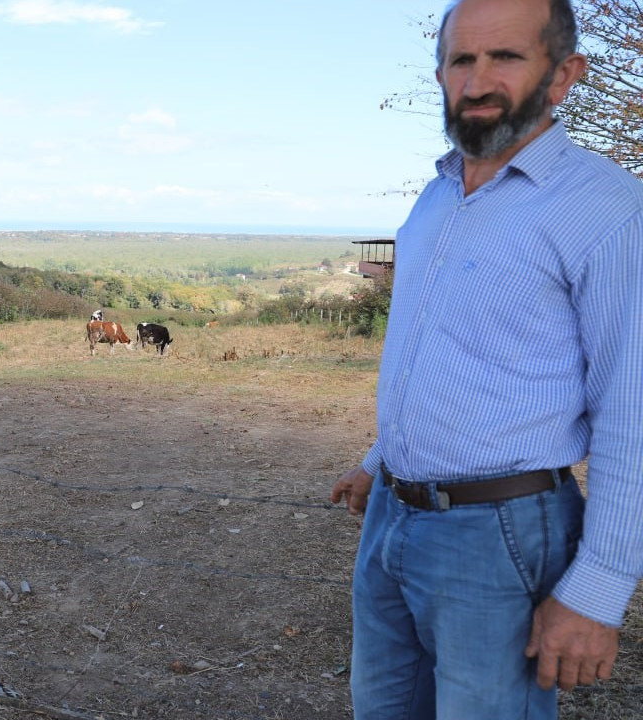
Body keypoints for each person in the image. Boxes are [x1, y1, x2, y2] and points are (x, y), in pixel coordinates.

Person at [329, 0, 643, 718]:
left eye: (505, 58)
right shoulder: (436, 198)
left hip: (501, 533)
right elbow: (443, 348)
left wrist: (597, 592)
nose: (477, 82)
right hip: (391, 517)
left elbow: (635, 410)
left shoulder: (607, 210)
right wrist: (380, 461)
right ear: (440, 74)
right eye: (461, 60)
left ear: (564, 75)